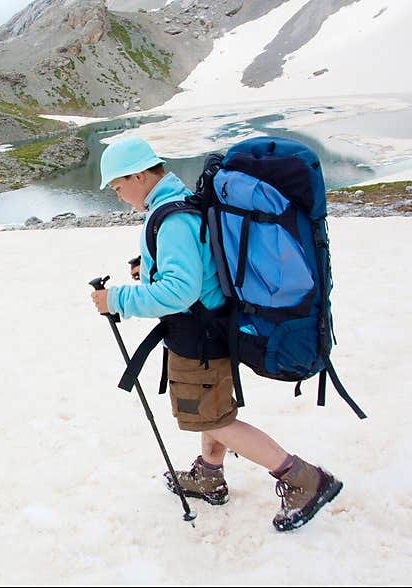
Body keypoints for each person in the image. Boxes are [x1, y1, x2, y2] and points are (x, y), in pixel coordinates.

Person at [90, 136, 342, 532]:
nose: (120, 196)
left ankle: (303, 478)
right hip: (210, 332)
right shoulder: (180, 203)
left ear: (139, 175)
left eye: (119, 187)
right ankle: (209, 474)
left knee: (212, 419)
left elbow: (180, 291)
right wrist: (150, 269)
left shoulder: (171, 218)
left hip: (197, 339)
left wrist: (118, 298)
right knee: (212, 413)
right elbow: (196, 267)